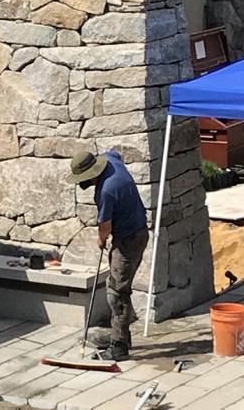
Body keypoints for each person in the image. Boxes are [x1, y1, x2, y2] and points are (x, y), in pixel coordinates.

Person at [66, 150, 149, 360]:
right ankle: (119, 334)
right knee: (120, 289)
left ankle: (119, 346)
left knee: (116, 294)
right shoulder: (111, 161)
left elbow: (105, 225)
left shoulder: (105, 191)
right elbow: (119, 154)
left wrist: (101, 239)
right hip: (136, 232)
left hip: (129, 241)